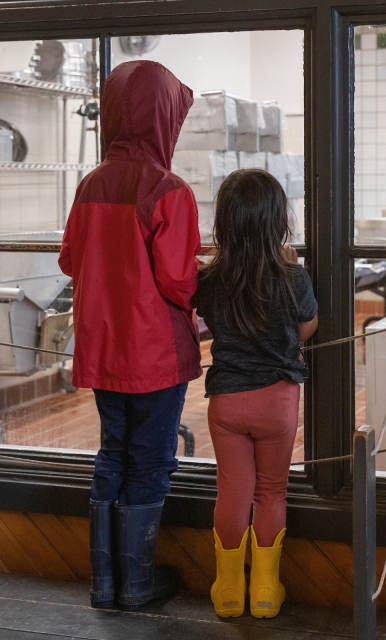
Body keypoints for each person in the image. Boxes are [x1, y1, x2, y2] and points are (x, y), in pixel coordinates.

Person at [58, 61, 202, 611]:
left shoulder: (90, 183)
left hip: (103, 349)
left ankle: (105, 584)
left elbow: (71, 261)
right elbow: (179, 280)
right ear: (165, 117)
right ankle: (138, 584)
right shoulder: (169, 189)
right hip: (155, 354)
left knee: (111, 453)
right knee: (149, 460)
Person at [194, 169, 318, 620]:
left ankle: (228, 592)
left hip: (226, 400)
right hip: (277, 401)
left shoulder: (211, 280)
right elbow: (307, 326)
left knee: (232, 492)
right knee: (271, 493)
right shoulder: (292, 277)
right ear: (277, 221)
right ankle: (265, 591)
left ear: (224, 222)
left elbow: (206, 316)